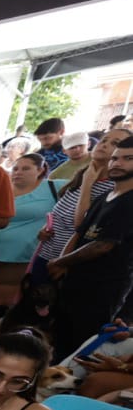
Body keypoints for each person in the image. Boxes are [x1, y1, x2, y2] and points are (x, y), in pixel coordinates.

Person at [48, 137, 133, 355]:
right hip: (75, 284)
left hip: (105, 290)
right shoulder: (105, 196)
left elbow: (103, 245)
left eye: (128, 159)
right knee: (61, 343)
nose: (117, 163)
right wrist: (61, 266)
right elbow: (80, 233)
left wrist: (61, 261)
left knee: (84, 349)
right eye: (115, 158)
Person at [34, 126, 132, 278]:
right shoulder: (83, 174)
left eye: (115, 143)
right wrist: (47, 226)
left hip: (69, 260)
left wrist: (87, 184)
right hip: (48, 251)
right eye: (104, 140)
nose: (104, 145)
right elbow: (62, 210)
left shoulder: (115, 187)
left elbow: (81, 224)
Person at [0, 153, 58, 313]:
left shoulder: (54, 187)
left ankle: (2, 337)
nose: (18, 172)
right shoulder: (0, 189)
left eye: (25, 168)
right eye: (15, 168)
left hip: (21, 256)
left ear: (40, 170)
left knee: (6, 303)